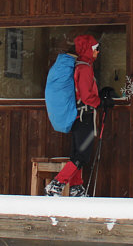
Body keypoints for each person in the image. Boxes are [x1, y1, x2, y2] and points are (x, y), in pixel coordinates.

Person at [45, 34, 113, 197]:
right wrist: (101, 102)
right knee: (82, 155)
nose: (97, 52)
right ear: (87, 50)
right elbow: (86, 95)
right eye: (95, 49)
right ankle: (57, 184)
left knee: (77, 153)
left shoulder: (81, 66)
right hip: (84, 116)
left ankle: (76, 187)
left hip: (78, 116)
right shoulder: (84, 68)